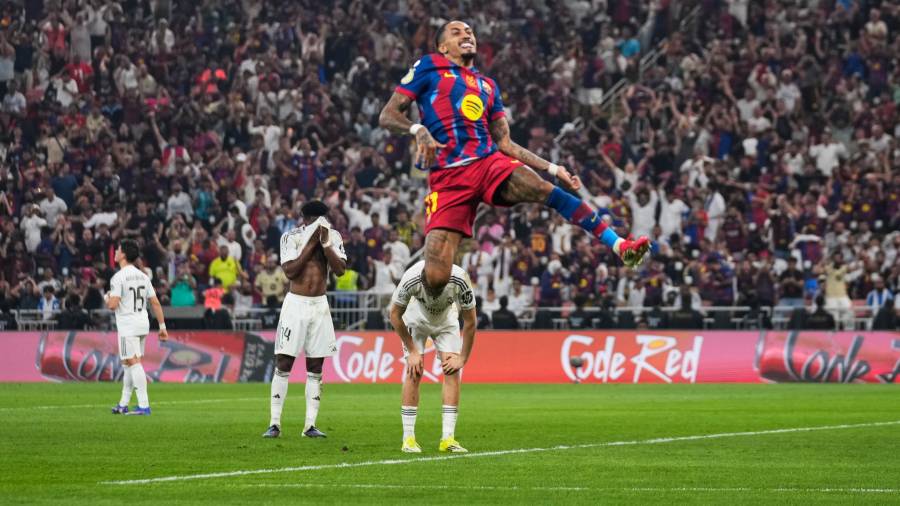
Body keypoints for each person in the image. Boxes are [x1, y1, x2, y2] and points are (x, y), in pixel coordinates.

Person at [379, 21, 650, 303]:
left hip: (487, 163)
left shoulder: (487, 86)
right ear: (442, 46)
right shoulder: (429, 66)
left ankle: (619, 245)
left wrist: (554, 169)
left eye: (470, 31)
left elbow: (505, 144)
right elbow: (387, 115)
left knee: (544, 189)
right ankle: (409, 306)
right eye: (456, 32)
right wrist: (417, 129)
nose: (466, 35)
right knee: (435, 279)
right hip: (448, 180)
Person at [264, 201, 347, 439]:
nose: (319, 223)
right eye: (315, 219)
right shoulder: (291, 237)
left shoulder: (333, 237)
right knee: (284, 362)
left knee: (315, 367)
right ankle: (275, 423)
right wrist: (312, 243)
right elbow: (291, 271)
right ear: (305, 219)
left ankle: (310, 425)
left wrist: (326, 244)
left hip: (319, 305)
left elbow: (340, 270)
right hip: (296, 305)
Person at [390, 260, 477, 454]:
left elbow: (471, 322)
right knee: (414, 371)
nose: (433, 297)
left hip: (446, 321)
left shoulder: (460, 279)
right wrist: (412, 350)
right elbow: (395, 315)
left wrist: (463, 358)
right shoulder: (410, 279)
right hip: (415, 319)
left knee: (452, 370)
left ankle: (448, 438)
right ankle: (408, 438)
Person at [107, 239, 168, 416]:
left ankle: (143, 405)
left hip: (128, 324)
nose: (115, 252)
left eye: (118, 250)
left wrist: (108, 297)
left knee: (133, 362)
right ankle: (123, 404)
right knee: (128, 363)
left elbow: (113, 304)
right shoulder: (143, 276)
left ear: (124, 254)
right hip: (142, 322)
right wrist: (162, 326)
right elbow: (155, 302)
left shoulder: (118, 277)